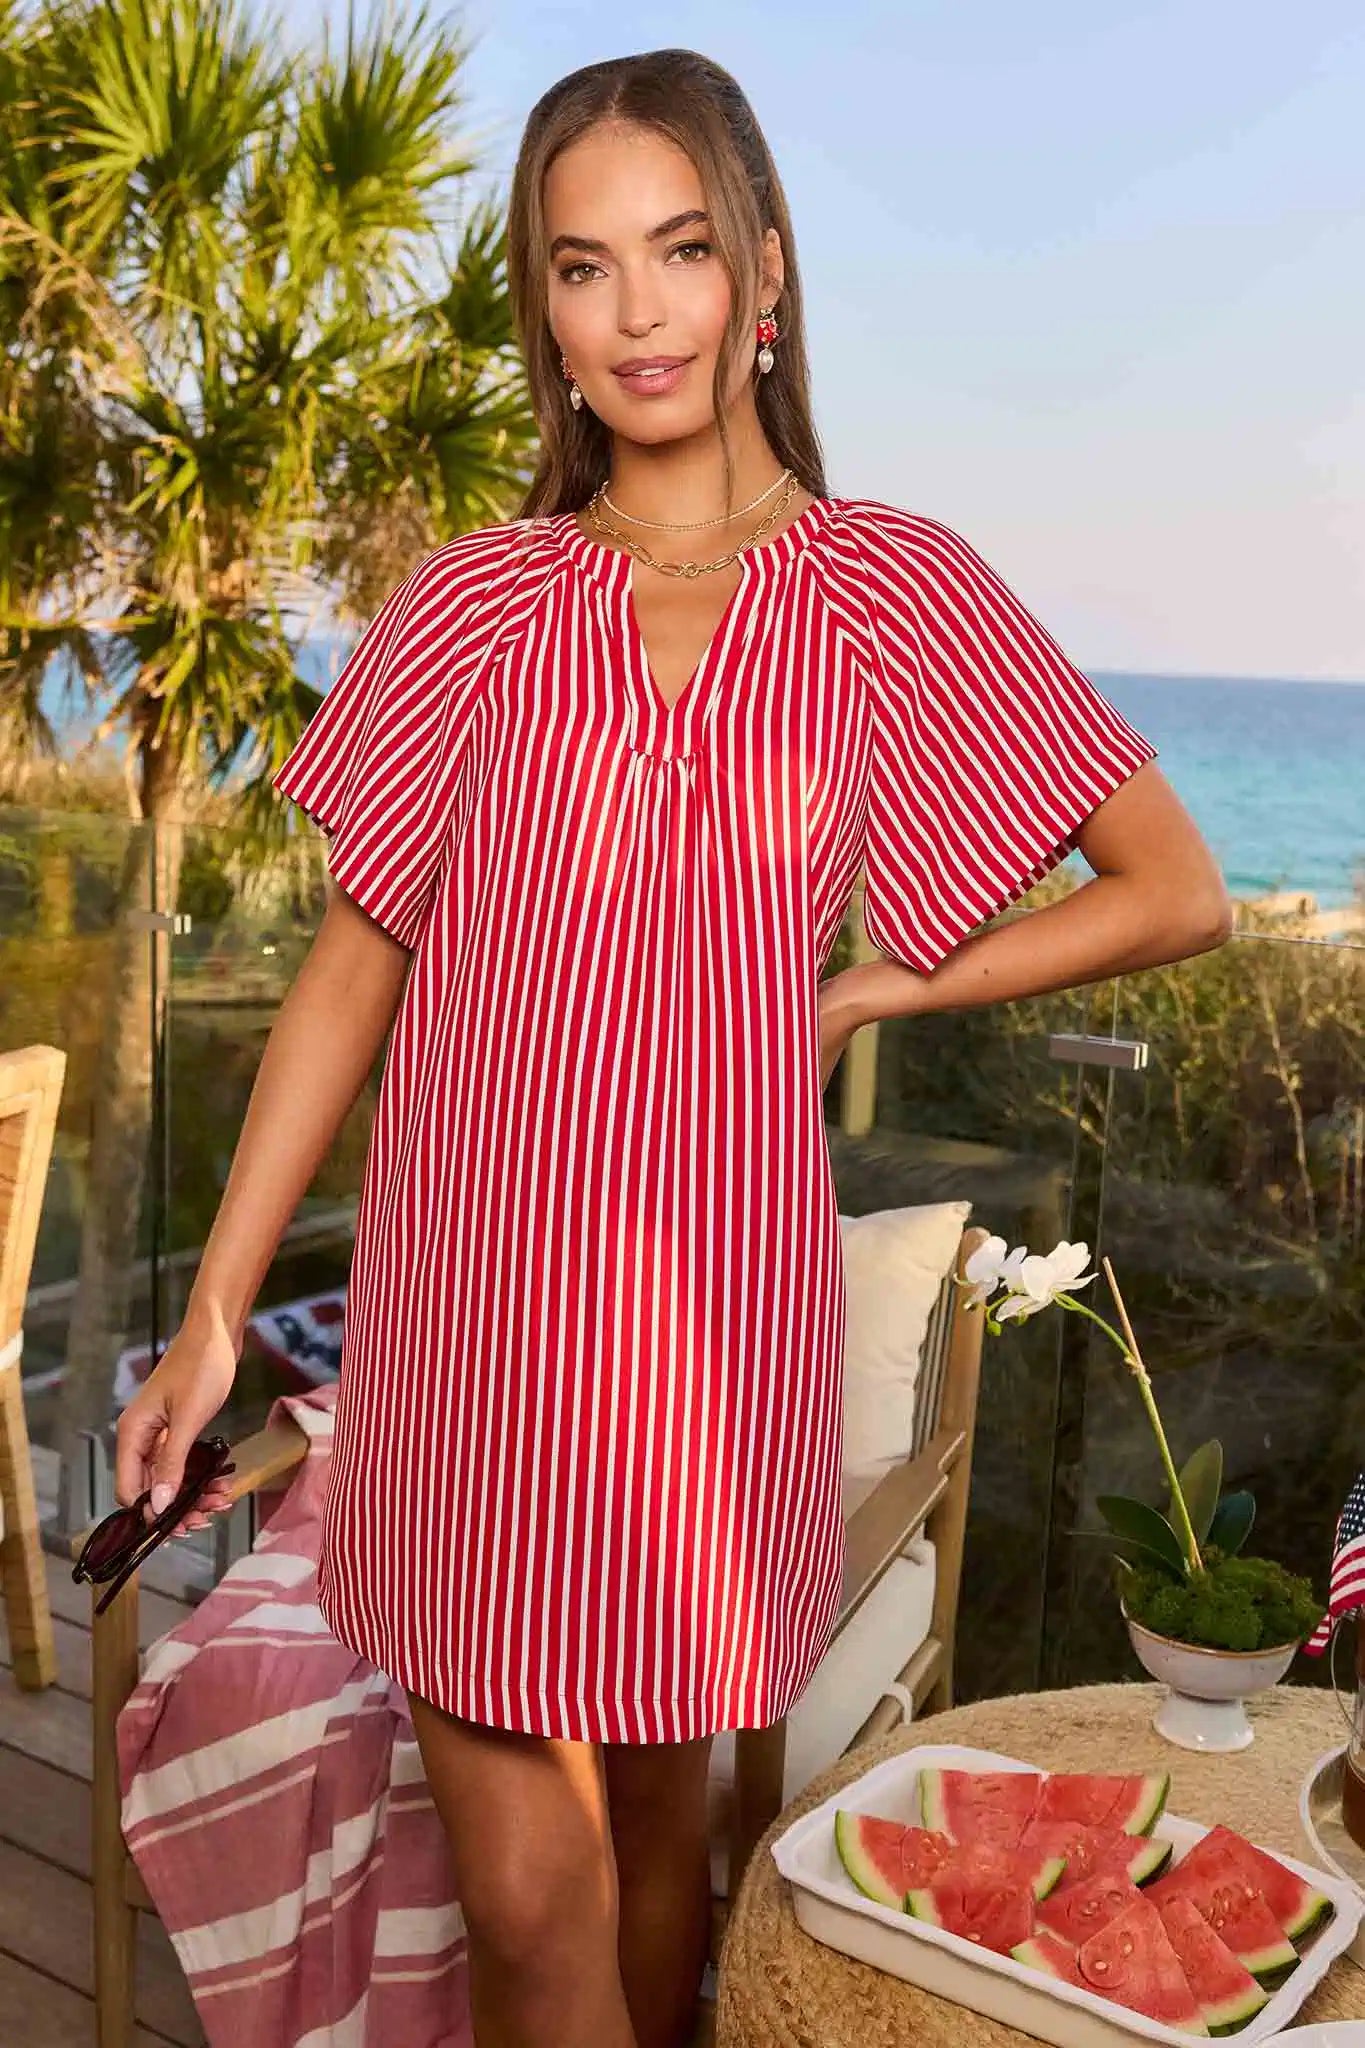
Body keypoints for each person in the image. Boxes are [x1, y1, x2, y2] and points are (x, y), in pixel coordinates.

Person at [113, 46, 1232, 2048]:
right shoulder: (470, 603)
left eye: (680, 249)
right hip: (459, 1333)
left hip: (707, 1355)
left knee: (658, 1888)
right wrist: (210, 1313)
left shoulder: (891, 591)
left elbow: (1169, 884)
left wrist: (890, 983)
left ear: (765, 274)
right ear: (541, 312)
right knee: (536, 1923)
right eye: (580, 264)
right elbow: (355, 966)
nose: (635, 311)